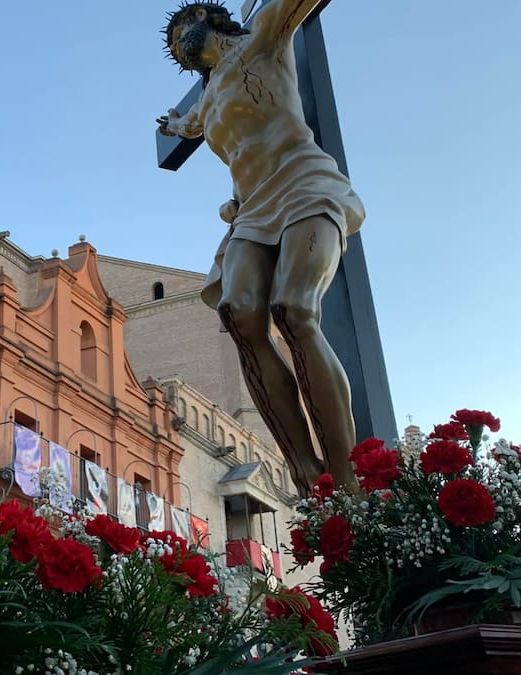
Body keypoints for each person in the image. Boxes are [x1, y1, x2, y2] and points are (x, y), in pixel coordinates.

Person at [158, 1, 364, 494]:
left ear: (210, 18)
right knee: (238, 314)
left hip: (303, 184)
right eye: (173, 47)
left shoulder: (265, 36)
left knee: (294, 309)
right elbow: (185, 127)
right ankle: (305, 471)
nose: (179, 45)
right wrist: (174, 123)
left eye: (182, 29)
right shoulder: (207, 99)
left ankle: (348, 475)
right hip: (250, 211)